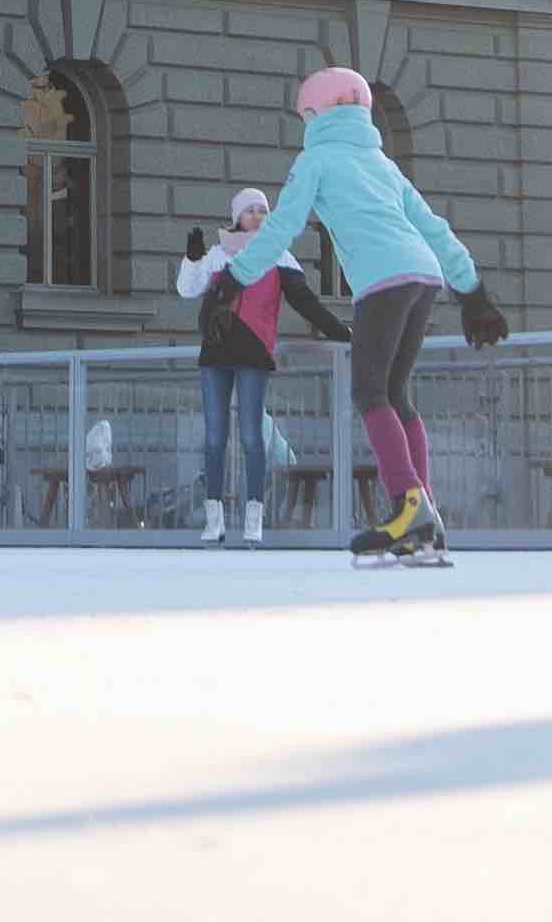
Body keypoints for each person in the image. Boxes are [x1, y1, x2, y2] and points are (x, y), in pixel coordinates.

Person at [208, 69, 481, 564]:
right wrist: (472, 287)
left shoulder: (316, 160)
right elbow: (433, 227)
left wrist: (236, 275)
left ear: (316, 114)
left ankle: (407, 505)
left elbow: (281, 228)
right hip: (424, 277)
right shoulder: (381, 163)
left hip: (383, 279)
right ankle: (427, 521)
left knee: (369, 391)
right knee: (396, 394)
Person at [171, 187, 289, 543]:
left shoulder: (276, 252)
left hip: (253, 354)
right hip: (217, 355)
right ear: (237, 215)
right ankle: (215, 518)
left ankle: (254, 516)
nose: (257, 216)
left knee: (253, 435)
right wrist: (193, 259)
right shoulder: (218, 255)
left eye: (262, 211)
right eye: (250, 210)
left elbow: (299, 290)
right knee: (214, 436)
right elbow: (187, 290)